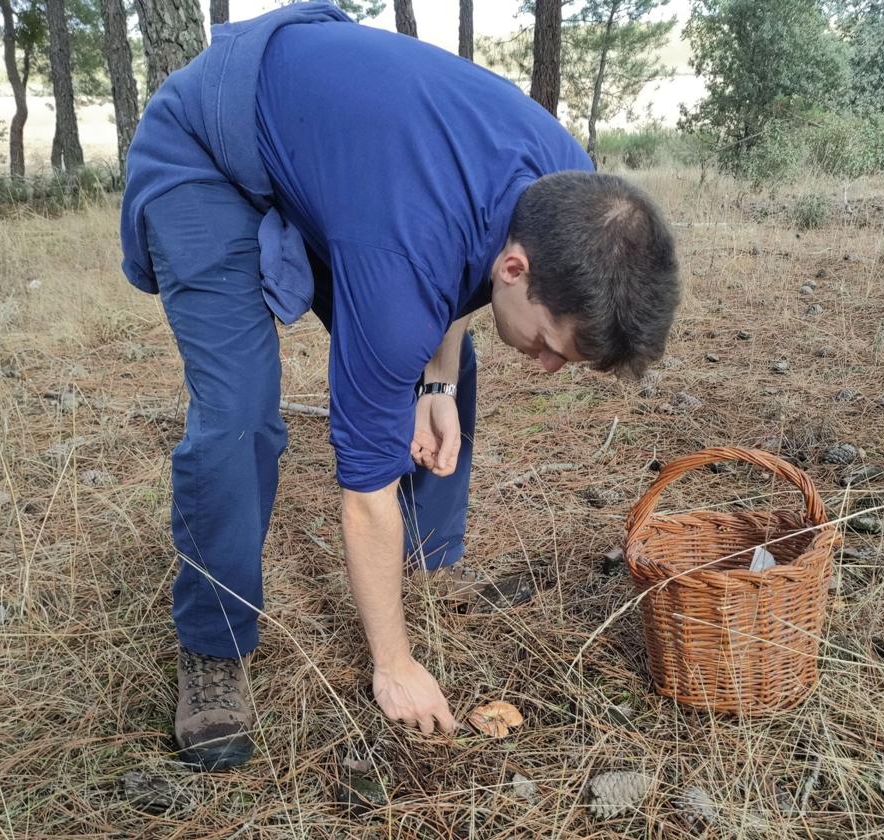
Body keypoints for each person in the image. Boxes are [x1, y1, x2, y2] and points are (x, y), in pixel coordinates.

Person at [120, 1, 679, 772]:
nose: (548, 369)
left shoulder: (567, 191)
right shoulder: (403, 266)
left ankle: (428, 563)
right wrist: (393, 663)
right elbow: (364, 488)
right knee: (240, 414)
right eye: (554, 348)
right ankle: (213, 648)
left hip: (345, 164)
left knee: (452, 361)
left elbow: (460, 271)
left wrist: (439, 387)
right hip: (205, 150)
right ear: (518, 269)